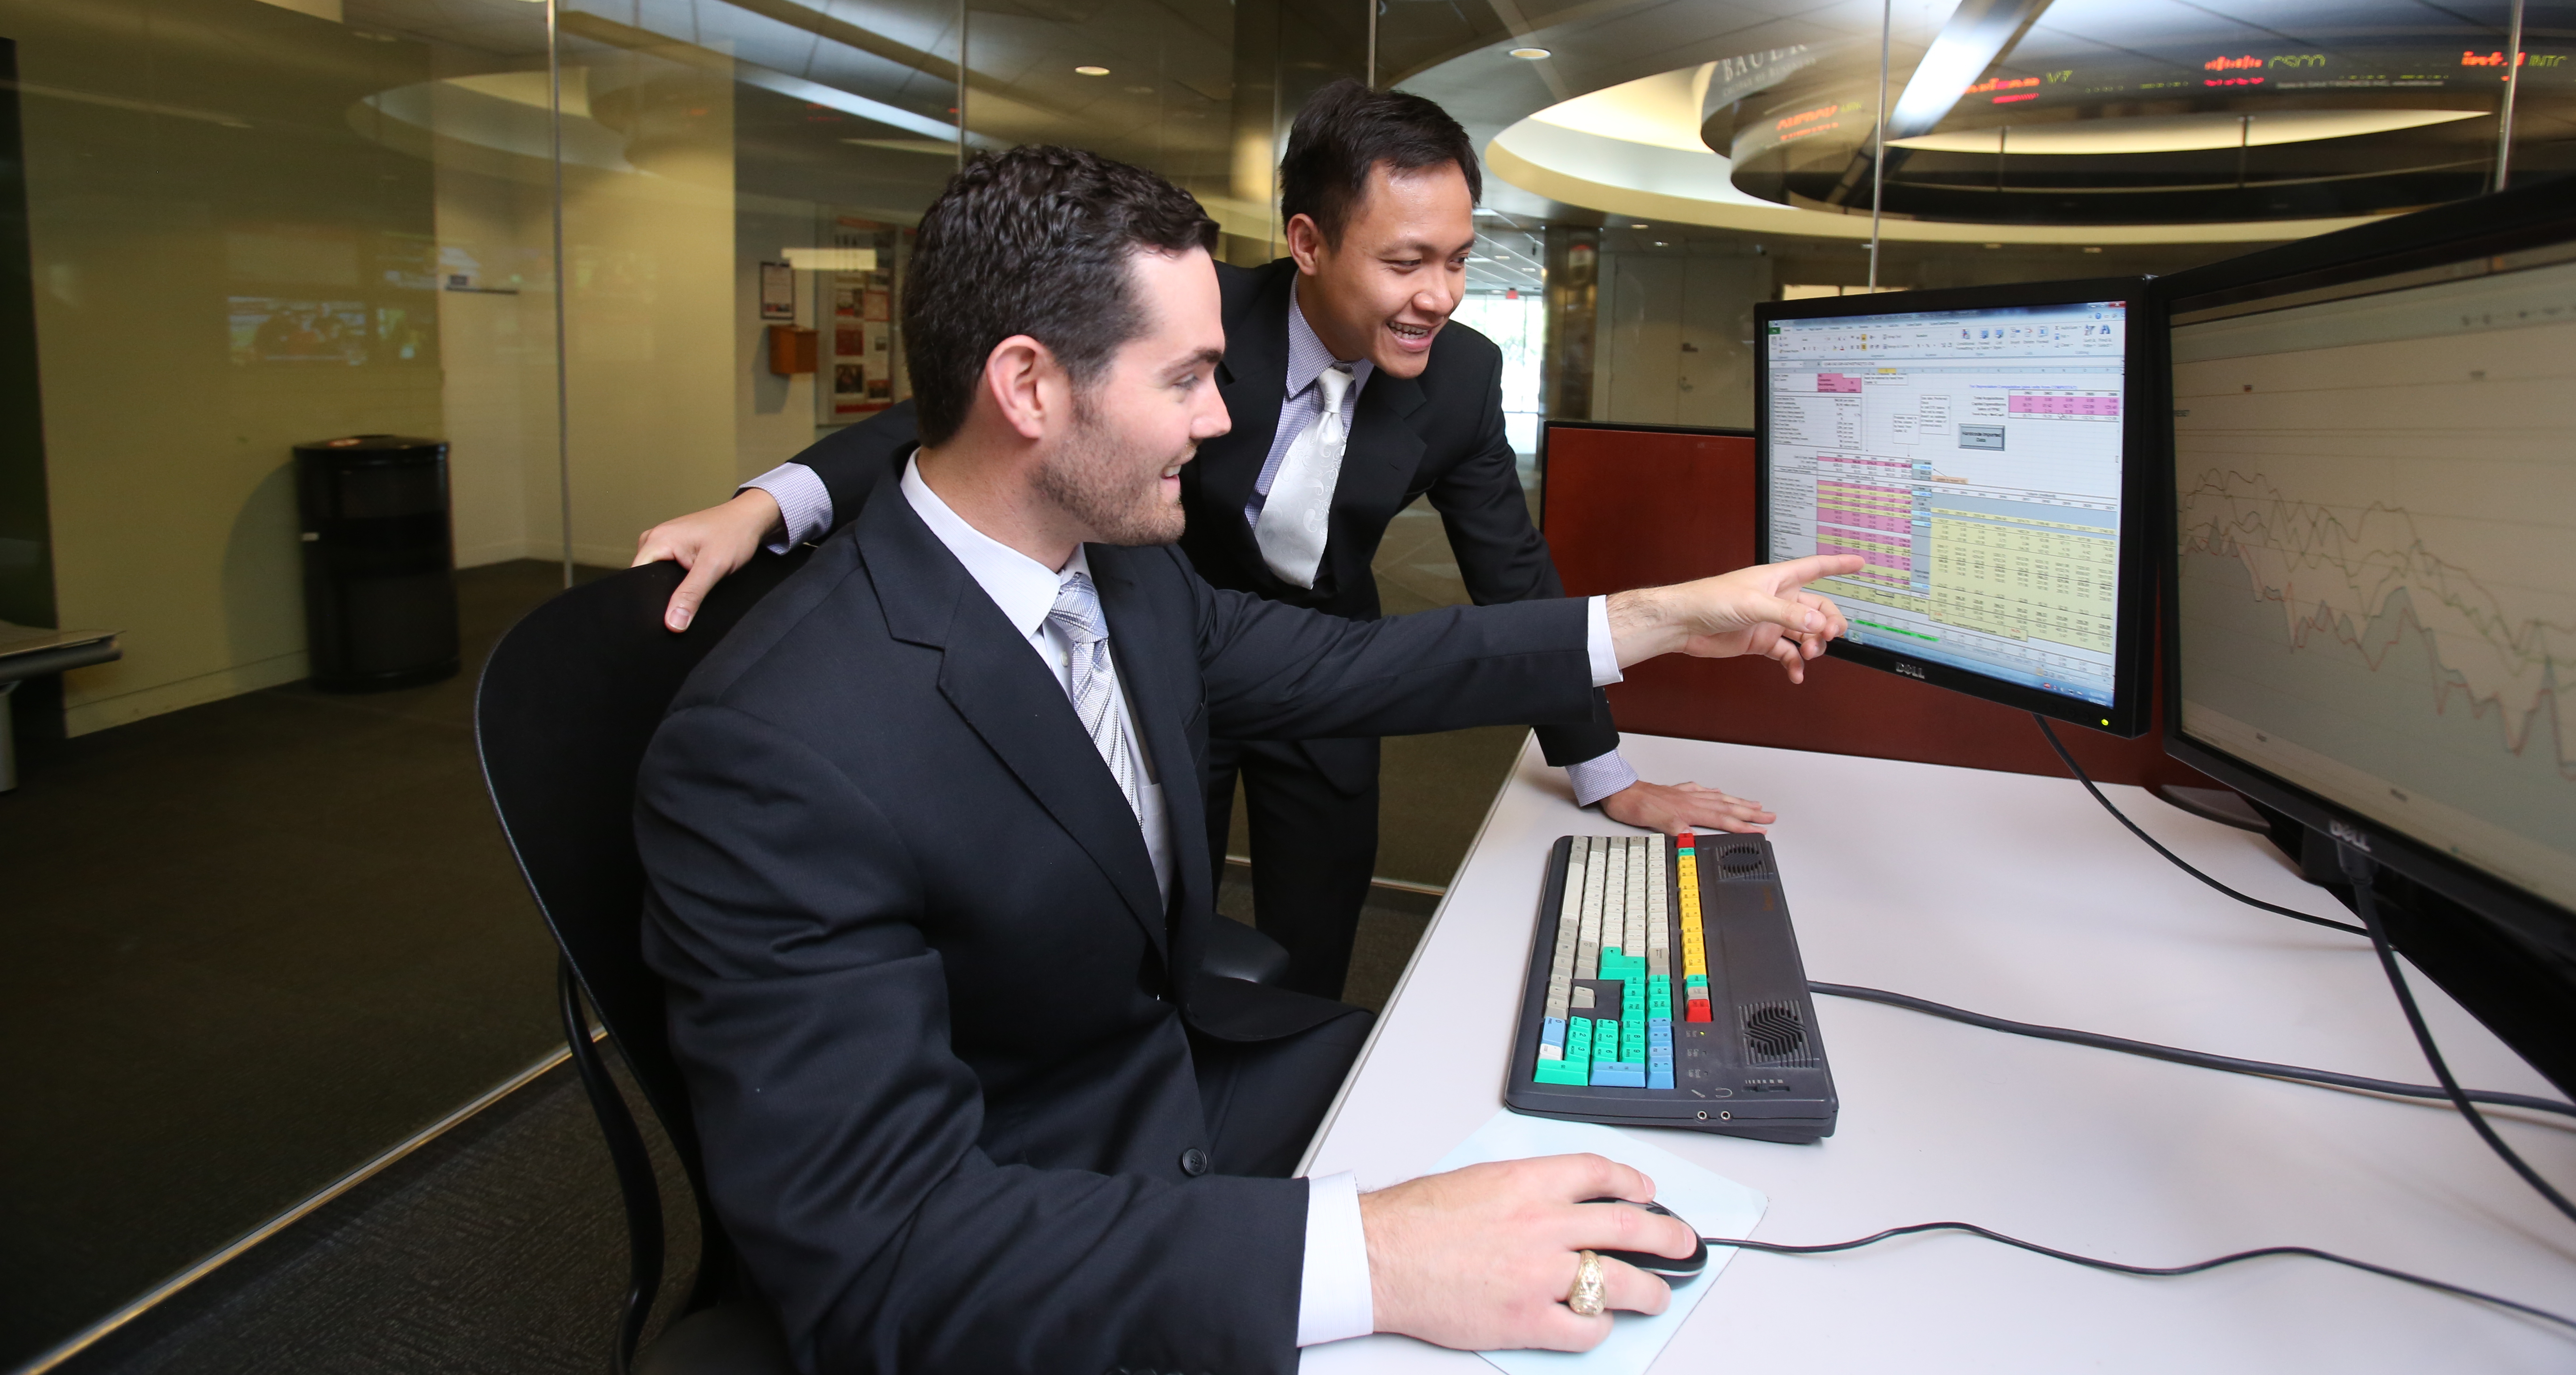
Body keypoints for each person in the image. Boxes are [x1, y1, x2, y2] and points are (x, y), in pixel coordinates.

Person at [635, 144, 1860, 1374]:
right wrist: (1383, 1256)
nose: (1222, 420)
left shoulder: (1126, 574)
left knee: (1608, 1174)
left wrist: (1666, 617)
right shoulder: (774, 751)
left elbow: (1368, 668)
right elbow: (885, 1256)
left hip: (1173, 1068)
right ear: (1028, 388)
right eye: (1188, 380)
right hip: (1039, 1203)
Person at [634, 79, 1774, 1000]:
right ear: (1309, 243)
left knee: (1310, 951)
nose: (1441, 296)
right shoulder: (1188, 310)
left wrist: (1605, 765)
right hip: (1151, 632)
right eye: (1405, 262)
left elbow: (1508, 571)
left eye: (1459, 259)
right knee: (1125, 901)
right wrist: (768, 504)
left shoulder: (1463, 377)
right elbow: (947, 416)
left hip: (1306, 650)